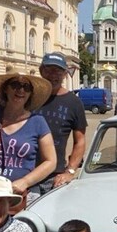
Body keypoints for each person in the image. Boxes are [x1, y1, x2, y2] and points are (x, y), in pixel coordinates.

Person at [0, 72, 56, 205]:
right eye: (15, 85)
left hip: (23, 196)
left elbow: (50, 161)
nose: (20, 90)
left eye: (26, 87)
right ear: (5, 89)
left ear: (30, 93)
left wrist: (25, 181)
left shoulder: (37, 122)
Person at [35, 52, 87, 194]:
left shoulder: (74, 103)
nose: (53, 75)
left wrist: (70, 171)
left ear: (65, 74)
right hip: (25, 174)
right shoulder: (29, 97)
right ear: (41, 71)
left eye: (58, 71)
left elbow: (80, 141)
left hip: (54, 177)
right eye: (49, 70)